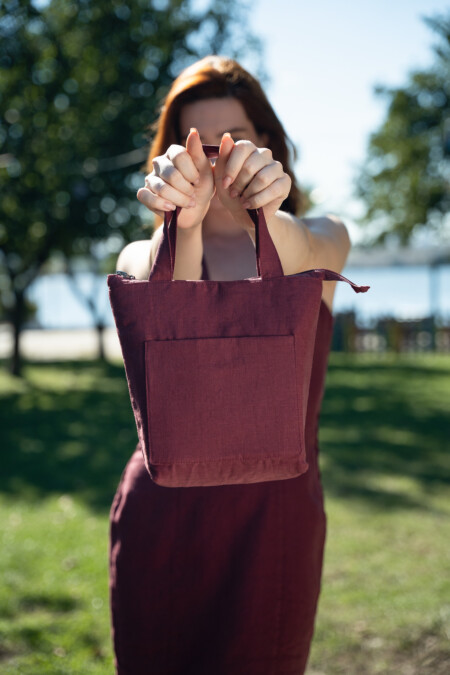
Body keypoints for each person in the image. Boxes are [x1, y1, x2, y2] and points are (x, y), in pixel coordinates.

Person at [109, 55, 350, 675]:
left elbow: (292, 250)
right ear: (169, 159)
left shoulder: (321, 236)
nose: (219, 161)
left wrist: (264, 211)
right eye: (199, 150)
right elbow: (169, 289)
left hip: (275, 524)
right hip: (163, 516)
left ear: (267, 143)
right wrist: (182, 225)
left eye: (234, 142)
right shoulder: (143, 252)